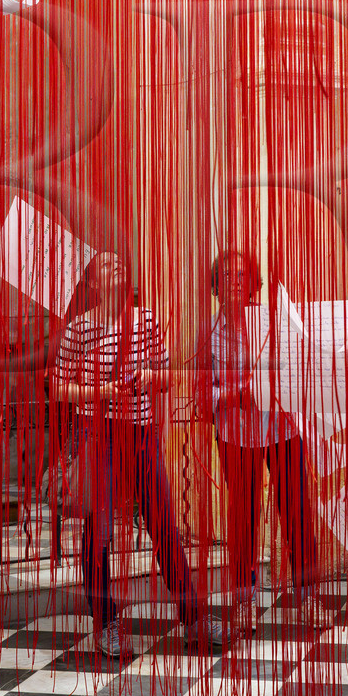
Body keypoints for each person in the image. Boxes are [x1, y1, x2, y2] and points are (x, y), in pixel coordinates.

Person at [51, 253, 221, 660]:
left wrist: (150, 377)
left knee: (163, 525)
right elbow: (57, 388)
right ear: (93, 283)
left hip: (142, 435)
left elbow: (166, 376)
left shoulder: (145, 320)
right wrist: (101, 392)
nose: (119, 269)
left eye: (121, 265)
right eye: (108, 266)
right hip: (99, 436)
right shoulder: (81, 327)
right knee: (100, 532)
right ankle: (105, 622)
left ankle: (192, 619)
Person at [204, 248, 320, 613]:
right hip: (236, 435)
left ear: (254, 284)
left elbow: (302, 370)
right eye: (225, 275)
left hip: (282, 431)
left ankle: (307, 595)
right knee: (243, 517)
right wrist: (234, 395)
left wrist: (280, 384)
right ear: (215, 287)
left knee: (296, 510)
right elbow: (200, 395)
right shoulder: (206, 333)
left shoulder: (277, 323)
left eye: (241, 275)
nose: (234, 281)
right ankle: (244, 597)